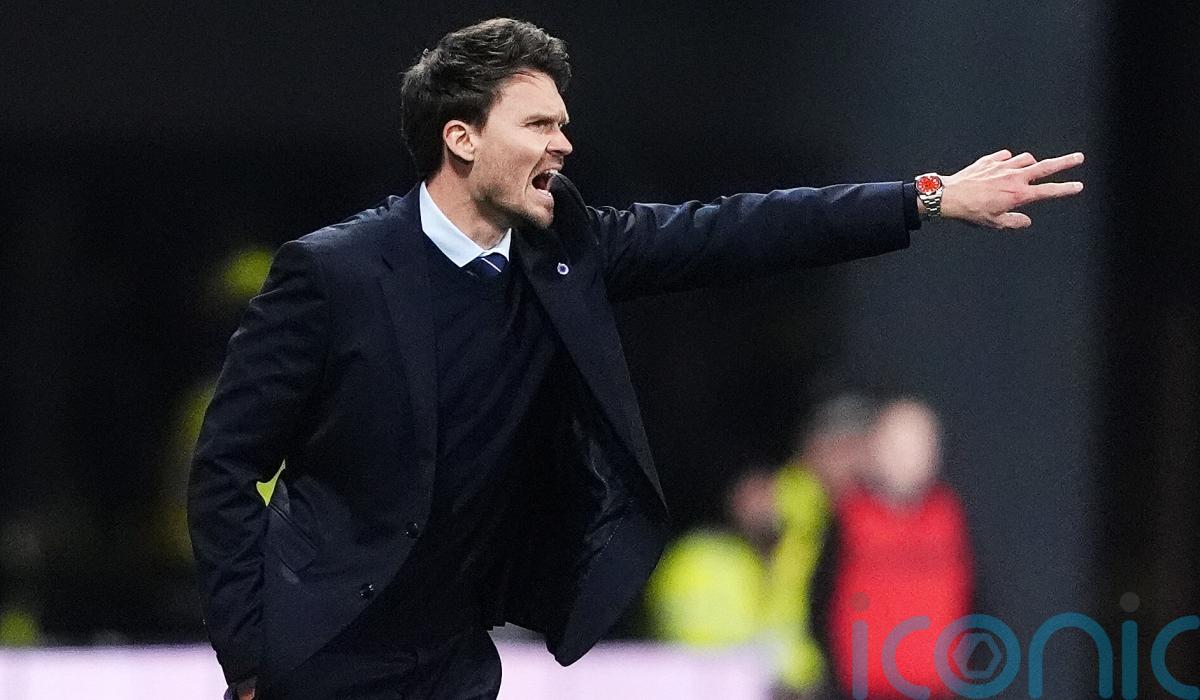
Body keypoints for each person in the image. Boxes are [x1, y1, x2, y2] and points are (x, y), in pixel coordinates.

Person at [186, 17, 1085, 700]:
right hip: (322, 655)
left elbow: (743, 229)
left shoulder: (568, 250)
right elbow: (224, 464)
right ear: (461, 138)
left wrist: (926, 198)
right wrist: (252, 655)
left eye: (563, 124)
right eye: (538, 123)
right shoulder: (332, 274)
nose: (563, 144)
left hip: (454, 660)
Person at [811, 397, 974, 699]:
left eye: (917, 447)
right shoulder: (849, 517)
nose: (906, 459)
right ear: (874, 449)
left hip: (938, 689)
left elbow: (976, 601)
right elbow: (819, 600)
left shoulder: (951, 516)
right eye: (896, 447)